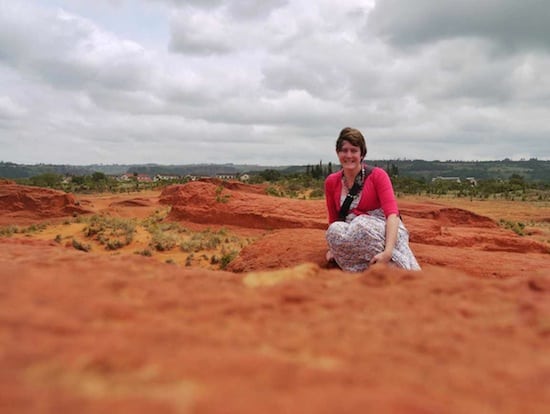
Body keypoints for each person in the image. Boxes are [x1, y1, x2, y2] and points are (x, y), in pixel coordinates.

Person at [324, 127, 420, 272]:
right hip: (352, 232)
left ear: (362, 154)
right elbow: (334, 219)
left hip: (385, 229)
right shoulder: (331, 182)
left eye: (354, 150)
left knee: (361, 224)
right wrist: (333, 248)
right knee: (333, 230)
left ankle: (394, 265)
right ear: (338, 153)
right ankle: (362, 272)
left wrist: (388, 252)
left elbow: (392, 214)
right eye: (344, 150)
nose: (349, 155)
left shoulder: (377, 175)